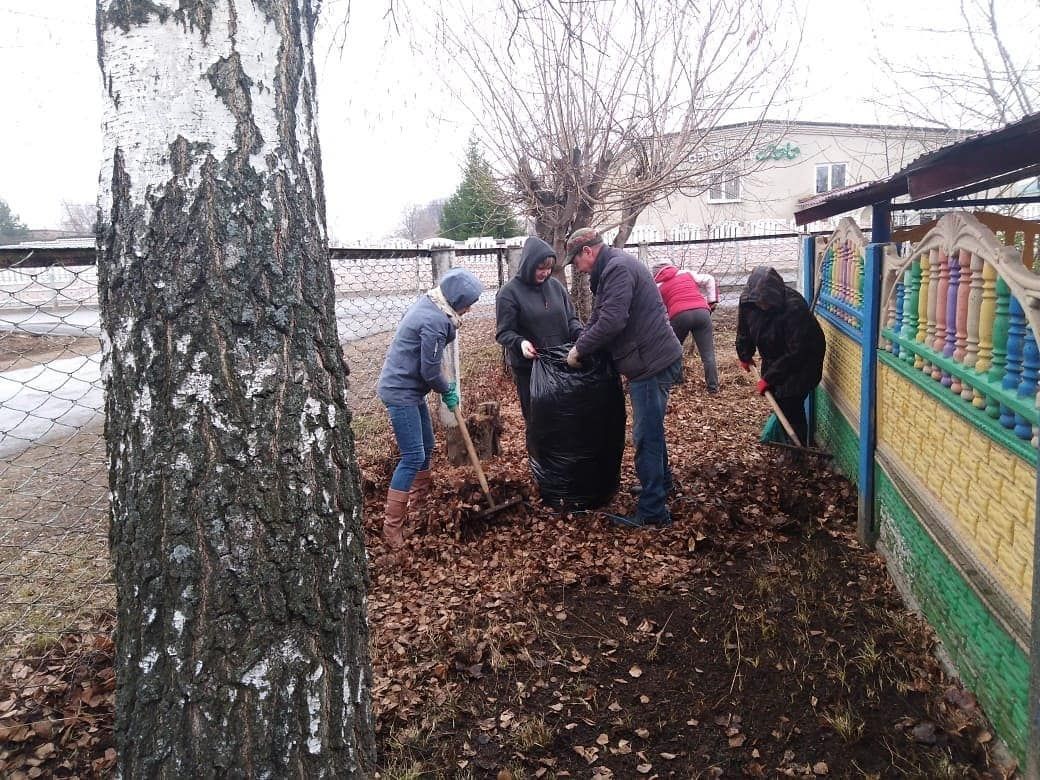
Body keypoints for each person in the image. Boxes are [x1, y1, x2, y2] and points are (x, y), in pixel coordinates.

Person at [564, 227, 683, 529]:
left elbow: (613, 320)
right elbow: (598, 317)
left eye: (575, 261)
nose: (576, 267)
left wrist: (581, 349)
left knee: (646, 436)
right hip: (651, 358)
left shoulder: (616, 269)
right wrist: (582, 340)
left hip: (650, 364)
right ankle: (662, 484)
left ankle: (654, 511)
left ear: (588, 252)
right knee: (652, 430)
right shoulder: (611, 269)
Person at [376, 268, 484, 549]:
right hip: (401, 392)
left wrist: (445, 383)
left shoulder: (433, 306)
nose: (470, 309)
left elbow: (432, 363)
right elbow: (429, 370)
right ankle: (392, 529)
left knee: (426, 444)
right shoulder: (434, 321)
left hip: (410, 390)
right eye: (468, 303)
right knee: (412, 455)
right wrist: (447, 389)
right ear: (457, 299)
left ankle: (419, 506)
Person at [735, 265, 826, 446]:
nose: (763, 305)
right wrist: (744, 354)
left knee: (792, 400)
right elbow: (744, 329)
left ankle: (797, 449)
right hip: (775, 355)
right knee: (778, 396)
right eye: (759, 302)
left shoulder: (794, 308)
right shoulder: (748, 302)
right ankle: (786, 438)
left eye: (766, 302)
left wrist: (769, 378)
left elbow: (798, 351)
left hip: (805, 358)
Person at [496, 236, 583, 420]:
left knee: (565, 418)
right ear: (529, 265)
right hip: (532, 371)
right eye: (540, 268)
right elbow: (504, 332)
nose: (545, 273)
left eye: (549, 268)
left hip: (562, 364)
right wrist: (521, 343)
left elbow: (571, 319)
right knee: (539, 422)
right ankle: (538, 450)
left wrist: (580, 335)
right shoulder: (509, 293)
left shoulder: (556, 287)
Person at [652, 262, 720, 394]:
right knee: (708, 354)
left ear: (655, 274)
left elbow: (657, 308)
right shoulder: (686, 273)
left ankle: (677, 381)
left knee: (675, 349)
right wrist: (711, 301)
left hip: (679, 316)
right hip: (702, 311)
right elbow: (710, 279)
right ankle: (713, 388)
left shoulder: (657, 286)